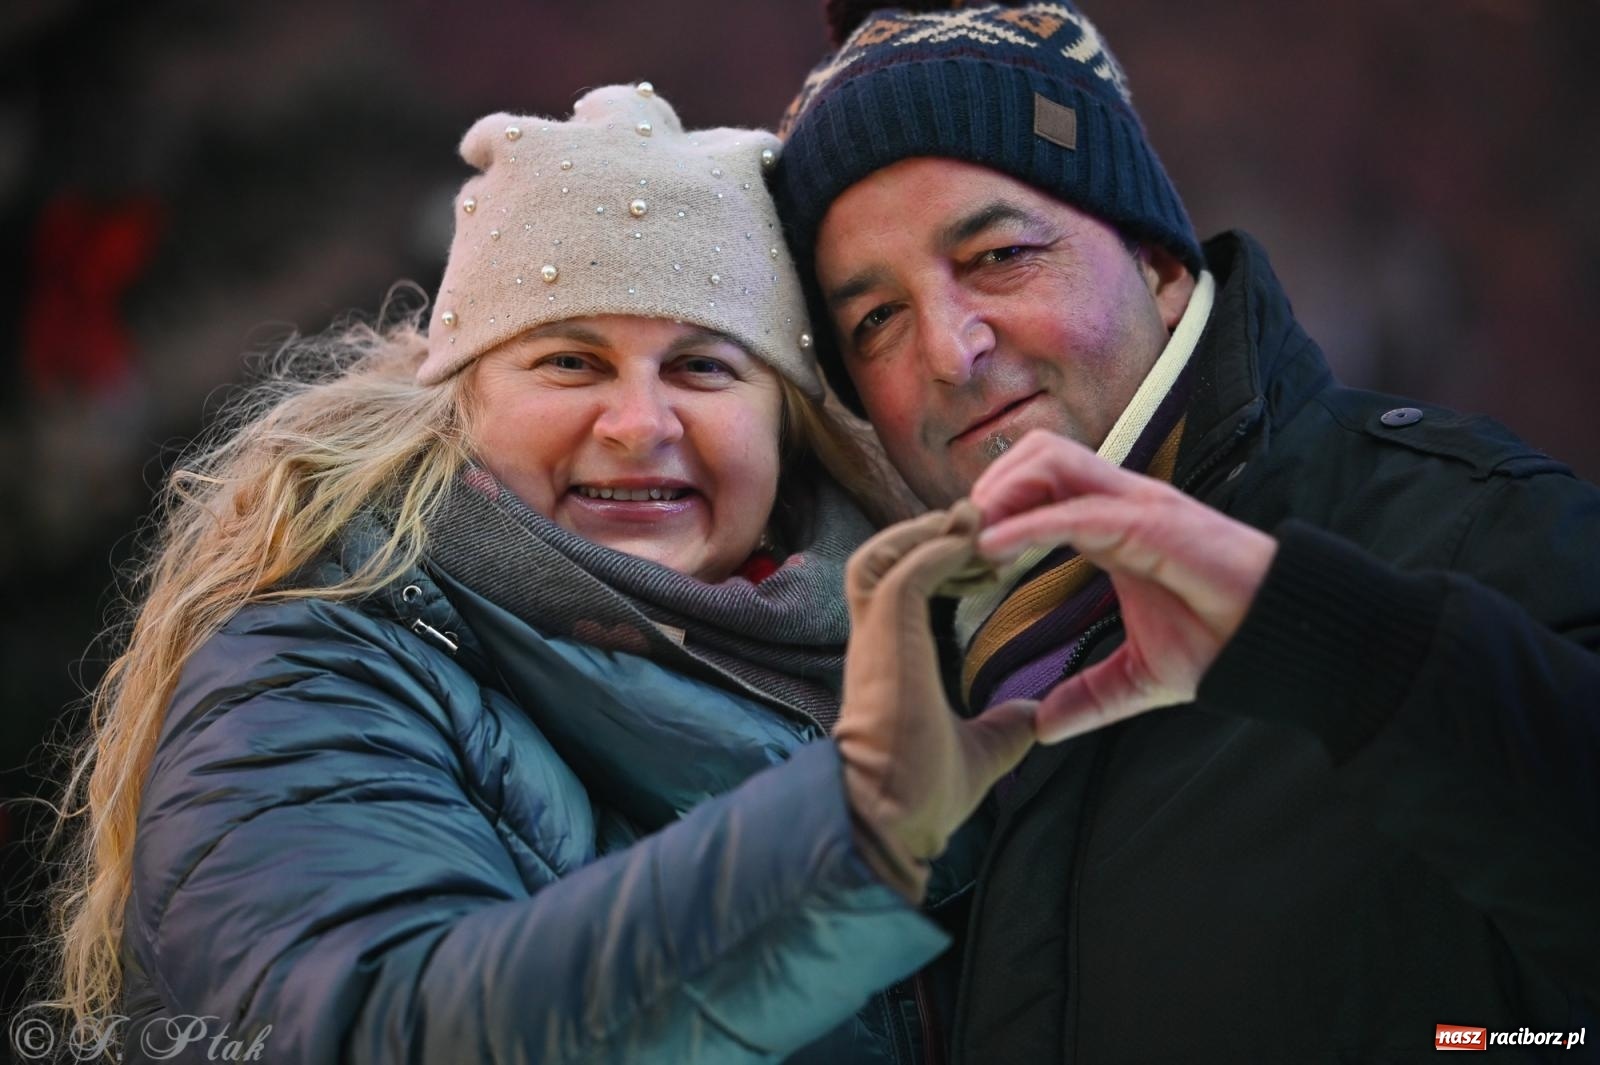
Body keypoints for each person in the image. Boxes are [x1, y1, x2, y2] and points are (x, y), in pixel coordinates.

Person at [42, 83, 1036, 1064]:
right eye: (570, 361)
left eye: (702, 366)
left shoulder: (954, 640)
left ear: (783, 419)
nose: (639, 424)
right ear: (461, 402)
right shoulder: (316, 671)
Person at [770, 2, 1600, 1060]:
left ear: (1160, 268)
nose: (947, 350)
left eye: (1000, 254)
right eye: (875, 319)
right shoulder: (871, 692)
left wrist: (1343, 651)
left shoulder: (1472, 531)